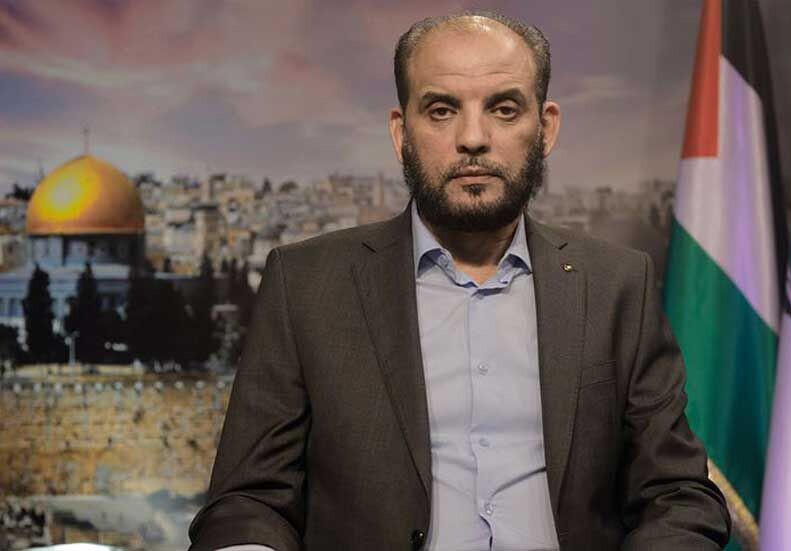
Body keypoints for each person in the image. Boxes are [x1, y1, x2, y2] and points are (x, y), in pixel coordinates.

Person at [188, 11, 730, 551]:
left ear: (546, 128)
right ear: (401, 133)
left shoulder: (617, 285)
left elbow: (677, 494)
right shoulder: (307, 285)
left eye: (504, 109)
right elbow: (248, 502)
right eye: (442, 110)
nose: (473, 138)